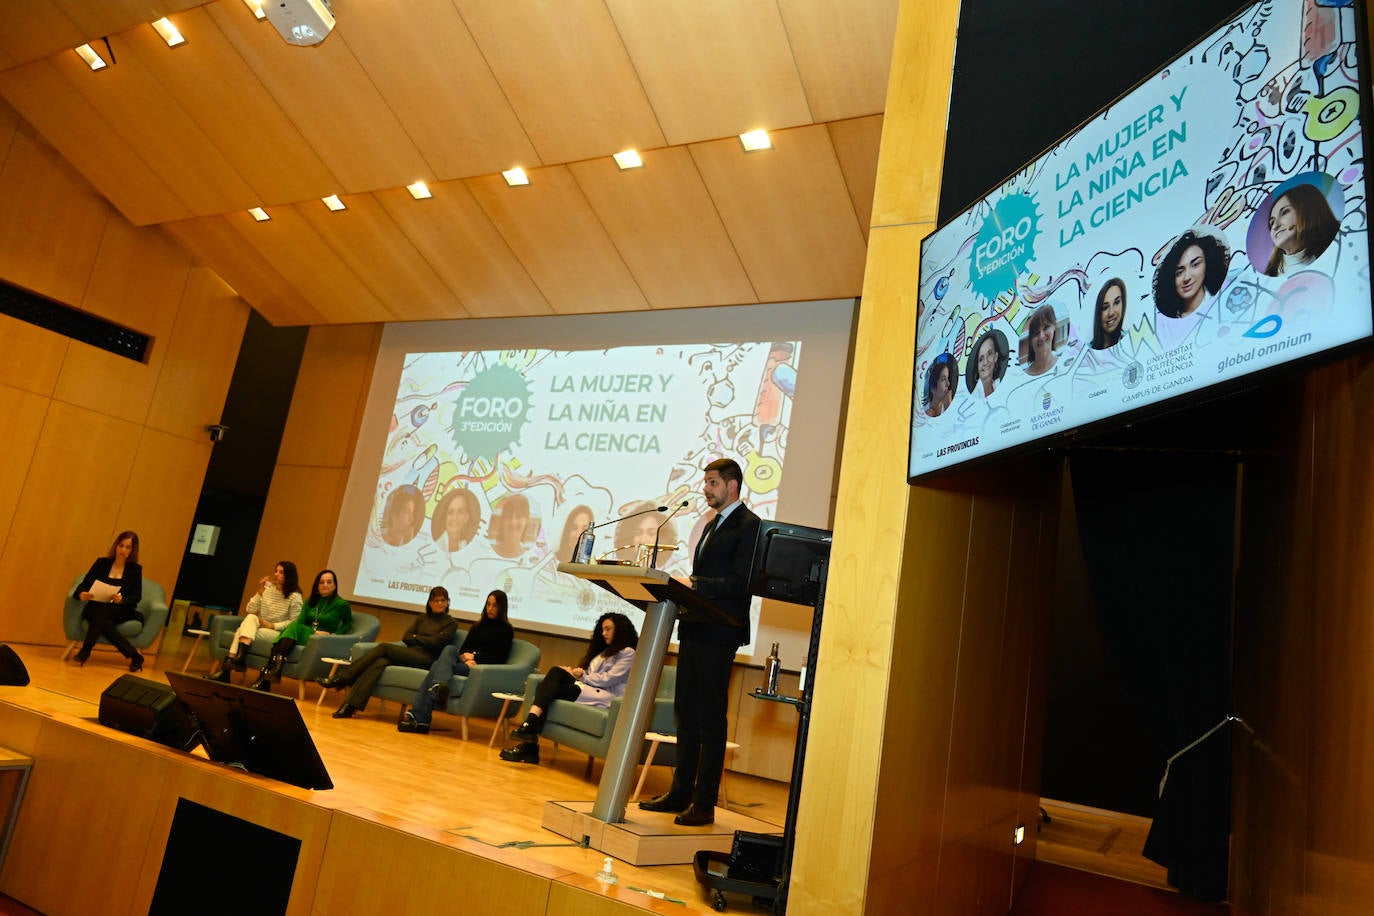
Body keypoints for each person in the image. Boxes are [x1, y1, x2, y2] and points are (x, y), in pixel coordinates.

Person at [639, 458, 760, 826]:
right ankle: (680, 793)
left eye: (711, 482)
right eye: (705, 482)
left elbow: (745, 582)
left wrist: (698, 585)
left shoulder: (749, 526)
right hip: (695, 627)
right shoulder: (710, 524)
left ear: (732, 486)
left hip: (720, 632)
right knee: (686, 715)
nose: (705, 488)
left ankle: (704, 802)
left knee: (710, 719)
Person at [498, 612, 638, 763]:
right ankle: (530, 734)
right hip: (589, 689)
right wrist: (575, 673)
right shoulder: (604, 652)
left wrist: (581, 676)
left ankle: (529, 740)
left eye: (608, 629)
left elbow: (609, 679)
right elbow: (591, 675)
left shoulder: (628, 653)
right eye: (602, 629)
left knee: (547, 692)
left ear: (620, 629)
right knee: (555, 673)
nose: (604, 633)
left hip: (606, 697)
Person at [318, 585, 457, 718]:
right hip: (410, 653)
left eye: (443, 600)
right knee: (379, 662)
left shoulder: (450, 623)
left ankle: (342, 677)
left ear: (447, 603)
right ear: (430, 603)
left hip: (427, 658)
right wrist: (423, 639)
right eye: (435, 600)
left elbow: (436, 643)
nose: (439, 603)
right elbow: (406, 637)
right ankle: (349, 706)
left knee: (384, 647)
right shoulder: (422, 618)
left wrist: (417, 637)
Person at [398, 589, 514, 734]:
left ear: (502, 608)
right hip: (466, 664)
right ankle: (439, 687)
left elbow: (500, 658)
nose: (490, 609)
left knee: (436, 665)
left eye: (494, 606)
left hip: (479, 669)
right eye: (488, 604)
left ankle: (421, 717)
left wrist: (475, 658)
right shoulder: (477, 626)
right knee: (450, 649)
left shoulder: (506, 630)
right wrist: (466, 657)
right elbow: (463, 650)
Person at [234, 569, 352, 691]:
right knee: (294, 626)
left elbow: (348, 623)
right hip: (307, 633)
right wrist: (313, 631)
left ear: (335, 585)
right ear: (317, 585)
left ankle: (268, 675)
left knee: (292, 628)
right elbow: (300, 622)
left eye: (329, 582)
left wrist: (334, 635)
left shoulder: (341, 604)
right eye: (321, 582)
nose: (325, 585)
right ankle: (272, 673)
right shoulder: (310, 601)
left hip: (321, 639)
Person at [71, 530, 145, 671]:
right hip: (96, 608)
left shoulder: (135, 569)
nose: (123, 550)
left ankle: (86, 650)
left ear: (132, 550)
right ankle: (135, 656)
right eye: (121, 545)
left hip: (120, 609)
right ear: (116, 545)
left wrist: (121, 599)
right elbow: (83, 585)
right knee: (103, 616)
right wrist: (81, 594)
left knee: (102, 610)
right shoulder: (102, 563)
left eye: (127, 547)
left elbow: (136, 596)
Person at [218, 562, 302, 677]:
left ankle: (228, 667)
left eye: (281, 572)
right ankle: (237, 661)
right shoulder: (267, 590)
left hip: (278, 632)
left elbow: (294, 622)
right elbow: (250, 609)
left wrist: (272, 625)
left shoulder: (295, 597)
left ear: (289, 576)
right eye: (276, 571)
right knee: (251, 617)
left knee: (241, 631)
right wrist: (260, 591)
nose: (276, 574)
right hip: (260, 626)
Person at [1264, 183, 1340, 276]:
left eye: (1284, 212)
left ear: (1307, 211)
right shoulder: (1270, 274)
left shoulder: (1336, 254)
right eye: (1272, 222)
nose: (1275, 226)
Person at [1154, 228, 1229, 319]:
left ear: (1208, 264)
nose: (1187, 277)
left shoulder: (1227, 296)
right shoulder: (1163, 322)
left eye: (1195, 264)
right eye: (1179, 272)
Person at [615, 501, 679, 564]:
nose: (643, 540)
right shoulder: (617, 567)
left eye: (651, 534)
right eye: (638, 533)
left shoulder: (674, 568)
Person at [430, 487, 481, 562]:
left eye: (460, 512)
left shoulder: (465, 545)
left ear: (466, 518)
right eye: (450, 512)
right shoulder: (436, 546)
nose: (454, 518)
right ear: (445, 517)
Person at [966, 330, 1008, 397]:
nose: (985, 362)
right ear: (977, 366)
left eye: (990, 353)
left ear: (996, 357)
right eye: (981, 359)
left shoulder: (1001, 385)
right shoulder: (974, 397)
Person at [1091, 279, 1127, 350]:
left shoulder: (1131, 340)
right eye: (1105, 307)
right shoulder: (1087, 350)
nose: (1111, 313)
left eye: (1116, 302)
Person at [1024, 305, 1059, 376]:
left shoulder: (1064, 366)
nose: (1041, 336)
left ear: (1054, 327)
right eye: (1036, 333)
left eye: (1046, 328)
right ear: (1030, 341)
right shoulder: (1022, 377)